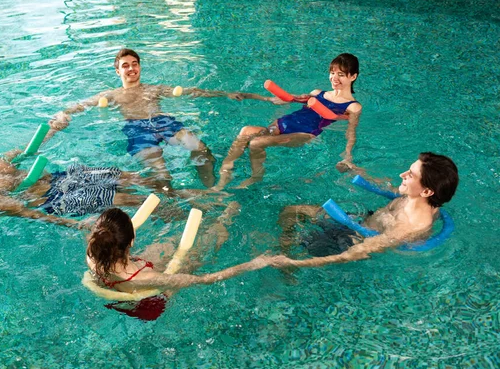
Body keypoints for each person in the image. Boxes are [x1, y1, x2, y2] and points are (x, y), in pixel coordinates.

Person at [49, 48, 275, 189]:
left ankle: (210, 189)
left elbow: (192, 91)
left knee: (201, 149)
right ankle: (173, 204)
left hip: (163, 122)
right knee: (161, 174)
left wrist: (224, 94)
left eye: (134, 64)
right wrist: (62, 115)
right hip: (136, 129)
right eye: (125, 66)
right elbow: (77, 107)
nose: (131, 69)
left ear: (140, 67)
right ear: (118, 71)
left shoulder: (154, 89)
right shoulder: (110, 95)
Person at [264, 153, 459, 269]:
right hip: (360, 221)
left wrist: (291, 263)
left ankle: (287, 263)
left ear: (426, 191)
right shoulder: (419, 198)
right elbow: (386, 189)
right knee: (291, 211)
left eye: (410, 175)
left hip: (349, 241)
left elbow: (355, 254)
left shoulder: (409, 226)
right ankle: (285, 248)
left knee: (294, 224)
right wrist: (355, 170)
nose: (402, 175)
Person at [81, 204, 270, 321]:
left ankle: (219, 221)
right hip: (148, 305)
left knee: (167, 244)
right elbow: (207, 279)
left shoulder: (93, 251)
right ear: (131, 242)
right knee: (192, 257)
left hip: (119, 283)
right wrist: (254, 263)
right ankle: (223, 222)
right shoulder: (147, 278)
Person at [0, 133, 160, 229]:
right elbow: (29, 213)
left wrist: (53, 129)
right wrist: (76, 225)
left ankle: (171, 191)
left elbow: (26, 151)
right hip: (54, 199)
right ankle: (170, 208)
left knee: (119, 174)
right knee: (123, 198)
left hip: (58, 179)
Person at [213, 53, 363, 190]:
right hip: (283, 124)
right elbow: (283, 99)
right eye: (332, 73)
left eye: (341, 75)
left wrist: (347, 156)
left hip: (305, 133)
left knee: (256, 143)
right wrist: (249, 95)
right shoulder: (317, 93)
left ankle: (256, 177)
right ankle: (224, 176)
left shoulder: (353, 106)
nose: (334, 78)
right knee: (246, 131)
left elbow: (351, 132)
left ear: (353, 77)